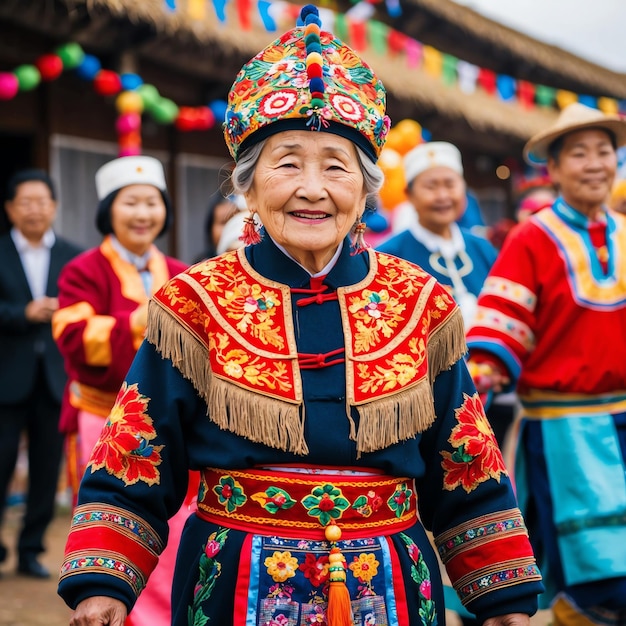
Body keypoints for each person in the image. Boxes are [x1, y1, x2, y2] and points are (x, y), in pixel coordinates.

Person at [57, 6, 543, 625]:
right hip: (230, 584)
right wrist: (104, 579)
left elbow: (466, 462)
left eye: (336, 166)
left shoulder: (419, 301)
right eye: (287, 162)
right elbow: (138, 454)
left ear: (366, 192)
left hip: (393, 583)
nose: (312, 188)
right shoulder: (195, 301)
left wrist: (501, 597)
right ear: (248, 187)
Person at [466, 102, 626, 624]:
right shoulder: (532, 237)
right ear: (554, 169)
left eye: (604, 151)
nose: (595, 164)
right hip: (567, 431)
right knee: (597, 575)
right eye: (579, 153)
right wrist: (479, 376)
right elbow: (499, 328)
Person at [51, 155, 192, 626]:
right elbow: (71, 336)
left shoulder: (178, 269)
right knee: (112, 518)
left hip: (168, 422)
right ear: (109, 210)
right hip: (100, 416)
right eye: (130, 202)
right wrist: (138, 322)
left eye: (152, 202)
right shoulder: (83, 269)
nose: (142, 213)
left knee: (169, 524)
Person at [0, 168, 82, 578]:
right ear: (10, 208)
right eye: (26, 202)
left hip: (55, 379)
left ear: (54, 206)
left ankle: (31, 549)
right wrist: (22, 314)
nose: (35, 210)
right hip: (6, 380)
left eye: (42, 201)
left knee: (47, 468)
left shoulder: (75, 256)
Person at [377, 141, 498, 330]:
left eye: (450, 185)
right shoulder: (389, 257)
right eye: (431, 187)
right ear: (409, 195)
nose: (442, 196)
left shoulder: (482, 248)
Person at [193, 191, 241, 262]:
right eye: (223, 222)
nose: (231, 227)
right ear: (211, 229)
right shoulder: (202, 267)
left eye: (235, 220)